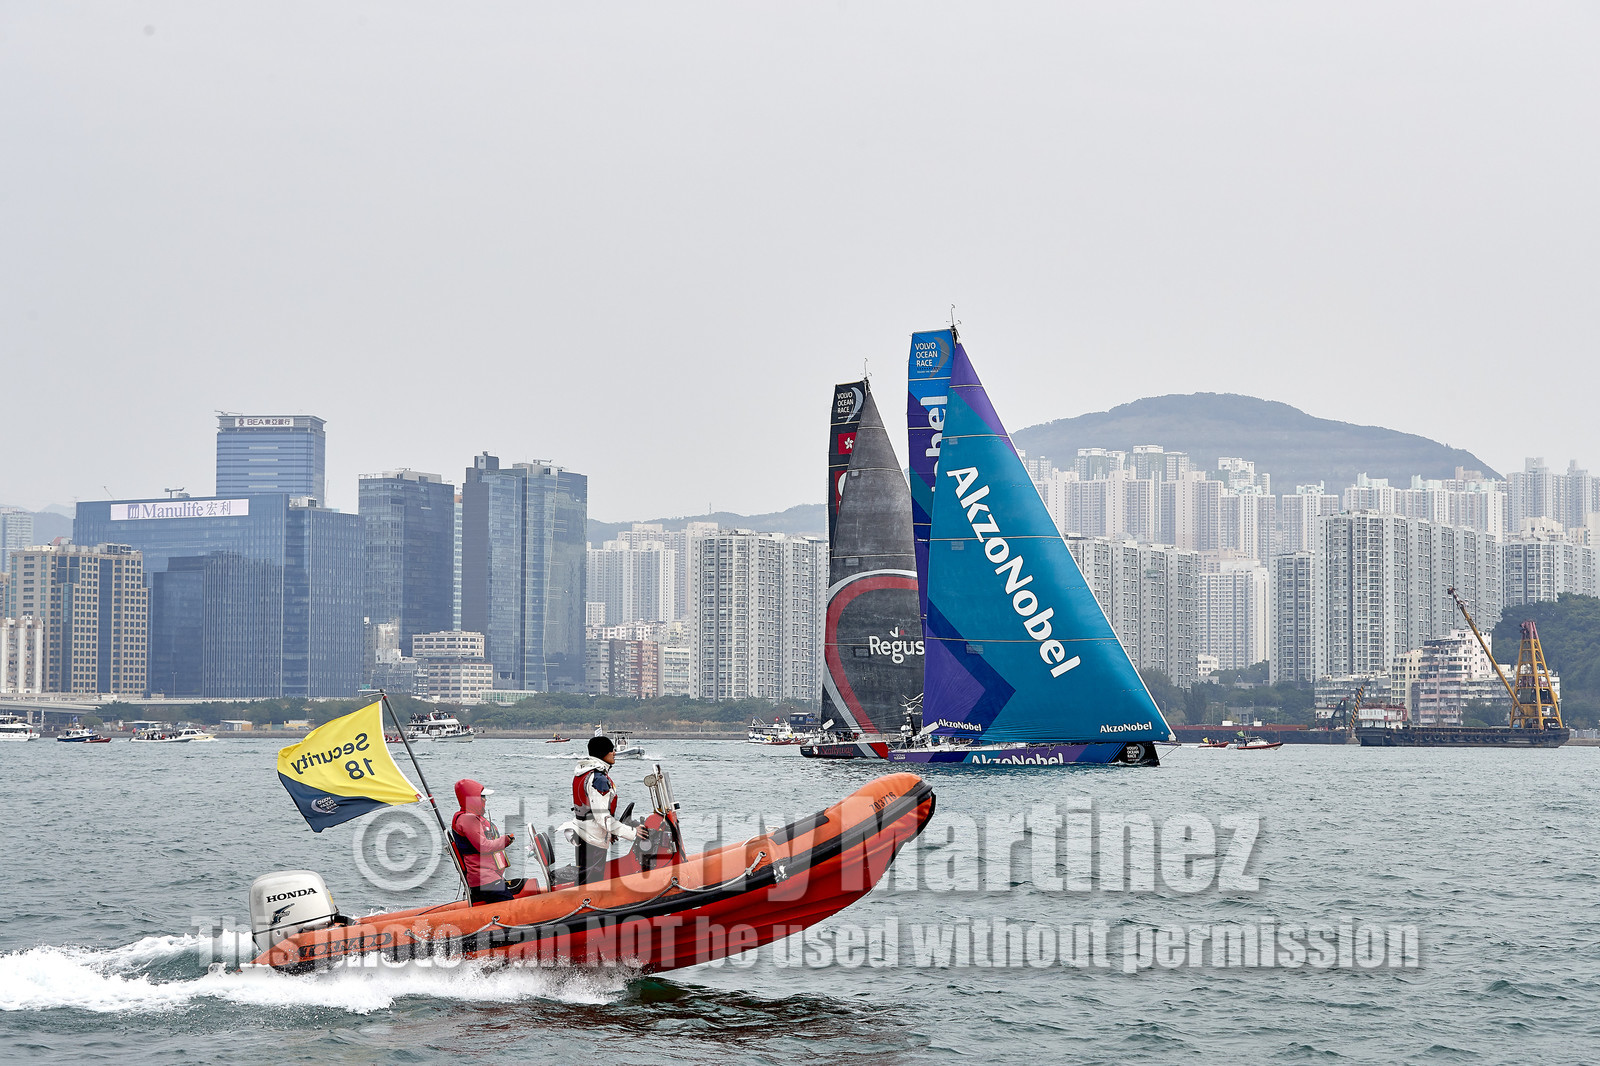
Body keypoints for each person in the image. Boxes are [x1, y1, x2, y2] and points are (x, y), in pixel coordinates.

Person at [570, 735, 649, 885]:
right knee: (591, 881)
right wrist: (633, 832)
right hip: (593, 839)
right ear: (603, 753)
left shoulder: (583, 773)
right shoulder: (598, 779)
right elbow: (602, 818)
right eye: (611, 750)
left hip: (583, 834)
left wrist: (611, 832)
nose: (614, 753)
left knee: (585, 877)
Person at [451, 778, 523, 905]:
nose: (485, 800)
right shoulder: (467, 820)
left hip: (490, 877)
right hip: (485, 881)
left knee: (523, 884)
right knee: (510, 906)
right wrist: (504, 840)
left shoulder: (473, 818)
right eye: (482, 796)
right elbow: (484, 846)